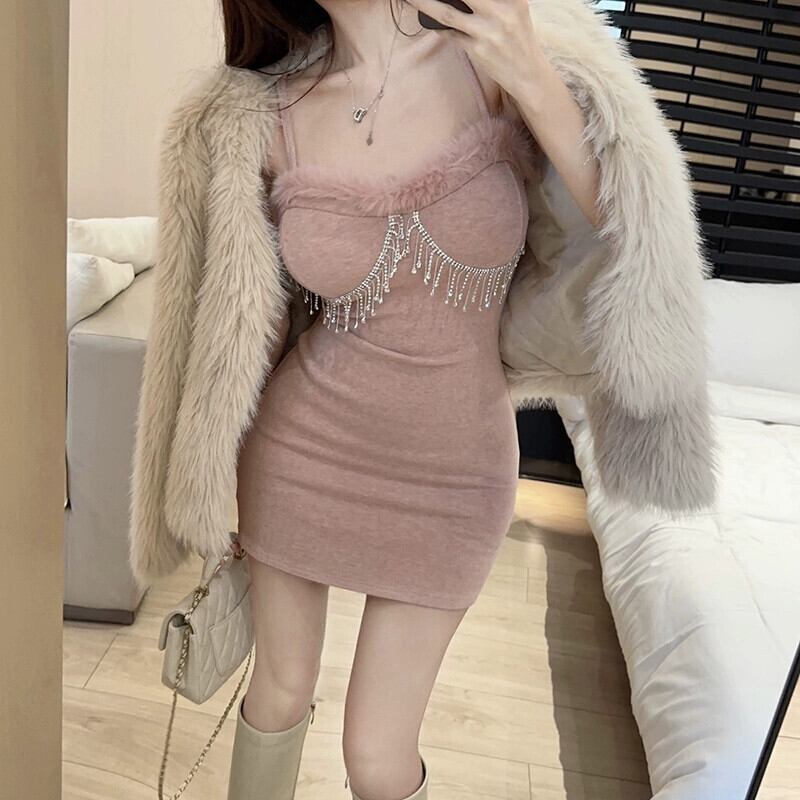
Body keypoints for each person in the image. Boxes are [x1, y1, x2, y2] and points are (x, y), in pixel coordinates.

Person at [129, 1, 718, 799]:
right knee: (278, 689)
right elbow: (246, 323)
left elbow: (637, 239)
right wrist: (216, 480)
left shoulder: (493, 60)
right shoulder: (267, 113)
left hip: (456, 472)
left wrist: (536, 79)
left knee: (377, 753)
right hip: (300, 455)